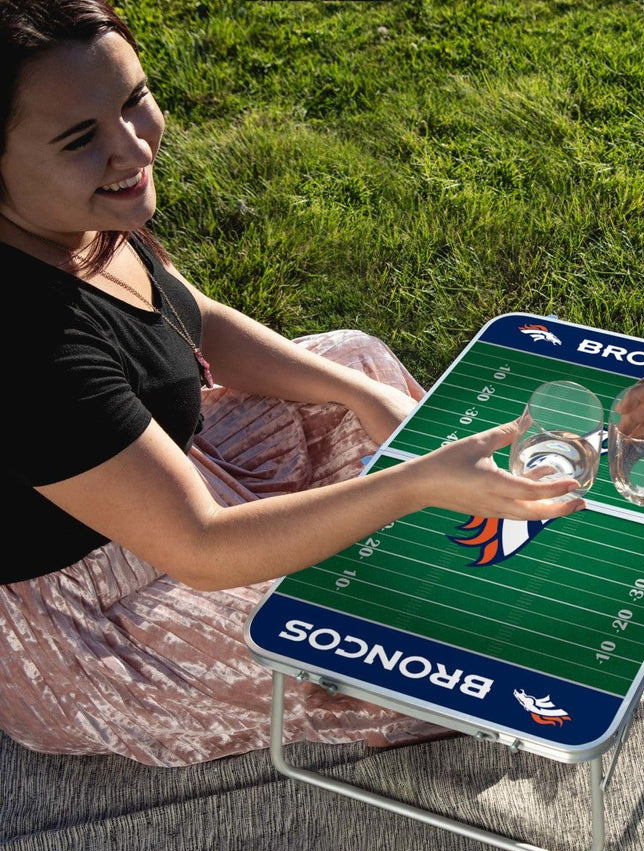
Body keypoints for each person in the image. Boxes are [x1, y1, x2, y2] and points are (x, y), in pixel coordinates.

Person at [0, 0, 583, 766]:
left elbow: (193, 319)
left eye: (134, 99)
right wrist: (411, 485)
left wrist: (363, 397)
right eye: (82, 139)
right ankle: (448, 550)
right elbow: (201, 547)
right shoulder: (26, 340)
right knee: (406, 647)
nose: (133, 145)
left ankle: (450, 523)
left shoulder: (73, 218)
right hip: (101, 617)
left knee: (352, 361)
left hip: (176, 475)